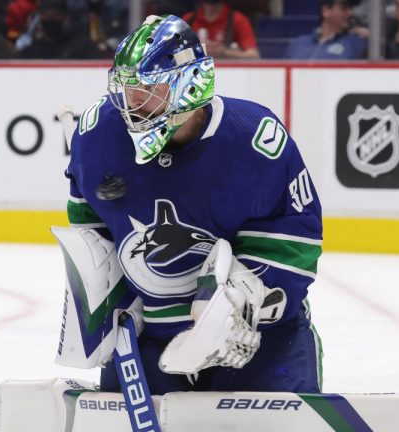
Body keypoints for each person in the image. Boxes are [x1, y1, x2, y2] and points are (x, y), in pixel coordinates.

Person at [63, 15, 323, 394]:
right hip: (146, 344)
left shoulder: (254, 139)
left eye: (149, 89)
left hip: (259, 347)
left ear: (190, 84)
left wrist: (243, 305)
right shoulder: (96, 134)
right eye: (126, 88)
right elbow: (91, 231)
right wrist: (107, 303)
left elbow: (294, 243)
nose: (132, 102)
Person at [286, 0, 367, 60]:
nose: (350, 12)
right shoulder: (298, 44)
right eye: (344, 8)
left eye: (351, 8)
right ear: (326, 11)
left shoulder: (356, 43)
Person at [182, 0, 261, 59]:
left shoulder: (237, 20)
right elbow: (172, 55)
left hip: (228, 72)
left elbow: (253, 55)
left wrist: (225, 52)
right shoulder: (188, 20)